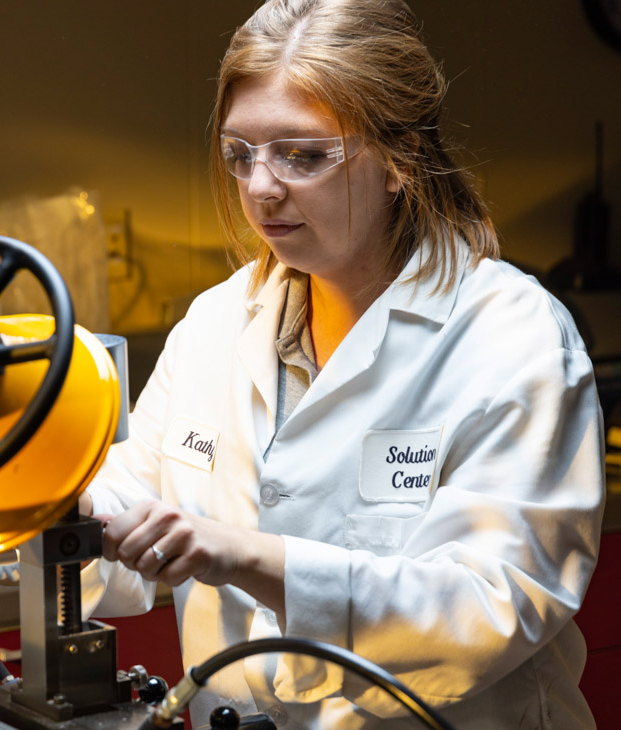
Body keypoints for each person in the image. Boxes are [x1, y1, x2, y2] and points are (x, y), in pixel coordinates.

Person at [78, 0, 606, 727]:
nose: (261, 187)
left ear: (397, 160)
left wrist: (248, 556)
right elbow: (120, 518)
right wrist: (49, 503)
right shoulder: (215, 325)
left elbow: (491, 607)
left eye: (302, 154)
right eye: (241, 153)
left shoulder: (511, 338)